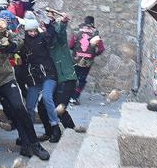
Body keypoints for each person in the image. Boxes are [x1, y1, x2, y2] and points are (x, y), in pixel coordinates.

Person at [0, 5, 50, 161]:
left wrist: (11, 46)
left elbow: (17, 41)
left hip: (4, 78)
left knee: (19, 108)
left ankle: (33, 144)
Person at [36, 10, 86, 139]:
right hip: (53, 79)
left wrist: (63, 22)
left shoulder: (59, 40)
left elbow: (60, 33)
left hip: (67, 77)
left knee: (59, 107)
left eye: (45, 26)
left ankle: (71, 131)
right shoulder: (43, 41)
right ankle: (49, 132)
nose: (43, 28)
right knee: (42, 106)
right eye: (41, 25)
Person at [19, 12, 61, 142]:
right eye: (29, 31)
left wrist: (49, 22)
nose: (32, 33)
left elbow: (52, 33)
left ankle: (55, 127)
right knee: (30, 105)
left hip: (48, 73)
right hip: (33, 77)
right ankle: (29, 132)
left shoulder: (43, 37)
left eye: (33, 30)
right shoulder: (23, 42)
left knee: (47, 97)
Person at [68, 19, 104, 105]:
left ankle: (69, 96)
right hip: (87, 61)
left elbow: (70, 45)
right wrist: (94, 54)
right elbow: (101, 49)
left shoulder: (77, 32)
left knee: (73, 77)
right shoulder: (95, 34)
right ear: (92, 23)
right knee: (82, 79)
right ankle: (75, 97)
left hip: (76, 58)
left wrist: (76, 52)